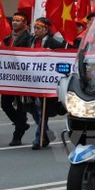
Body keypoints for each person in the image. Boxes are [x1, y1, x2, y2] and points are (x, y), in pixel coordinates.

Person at [25, 17, 65, 150]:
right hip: (31, 82)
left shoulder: (54, 43)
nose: (35, 30)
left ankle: (39, 138)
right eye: (34, 28)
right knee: (31, 108)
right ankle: (46, 132)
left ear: (45, 29)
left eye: (38, 28)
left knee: (42, 111)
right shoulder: (30, 41)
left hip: (46, 84)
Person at [0, 11, 32, 131]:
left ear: (24, 23)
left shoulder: (29, 38)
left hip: (20, 76)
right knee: (5, 104)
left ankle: (18, 134)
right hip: (8, 76)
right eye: (13, 20)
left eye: (18, 20)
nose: (14, 22)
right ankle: (21, 124)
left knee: (20, 105)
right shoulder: (8, 38)